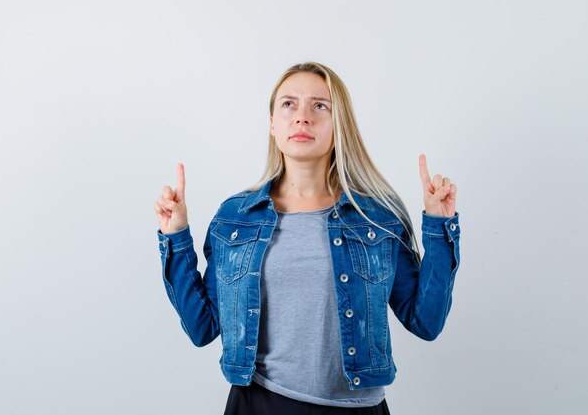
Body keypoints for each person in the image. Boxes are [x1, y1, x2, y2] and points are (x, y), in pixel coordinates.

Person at [154, 61, 461, 415]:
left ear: (338, 125)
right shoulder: (235, 218)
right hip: (258, 403)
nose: (302, 117)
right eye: (288, 104)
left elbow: (426, 321)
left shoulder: (377, 217)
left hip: (356, 408)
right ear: (272, 124)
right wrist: (175, 235)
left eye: (320, 105)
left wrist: (439, 226)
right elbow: (202, 328)